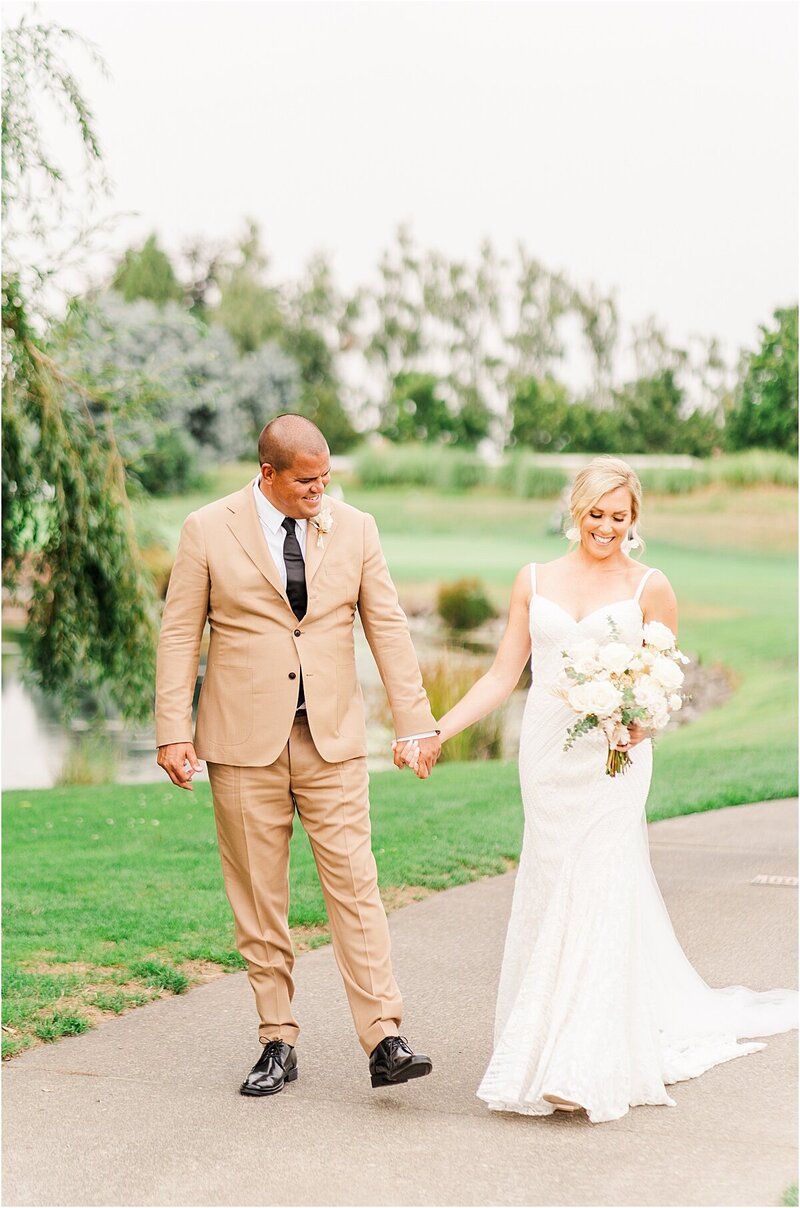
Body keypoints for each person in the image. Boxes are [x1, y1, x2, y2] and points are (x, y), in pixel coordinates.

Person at [400, 455, 797, 1123]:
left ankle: (578, 1064)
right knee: (554, 888)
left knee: (599, 887)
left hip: (615, 758)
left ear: (633, 520)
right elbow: (503, 676)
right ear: (574, 511)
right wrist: (436, 730)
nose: (606, 527)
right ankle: (546, 1039)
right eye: (595, 514)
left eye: (619, 516)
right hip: (549, 755)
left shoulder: (651, 587)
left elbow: (665, 678)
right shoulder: (534, 579)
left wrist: (637, 724)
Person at [155, 414, 441, 1096]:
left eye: (326, 477)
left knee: (356, 887)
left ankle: (385, 1039)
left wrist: (417, 723)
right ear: (268, 474)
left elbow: (389, 629)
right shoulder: (206, 528)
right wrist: (173, 729)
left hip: (332, 740)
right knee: (261, 898)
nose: (321, 490)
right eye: (306, 481)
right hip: (241, 745)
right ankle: (277, 1041)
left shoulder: (358, 528)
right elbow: (178, 633)